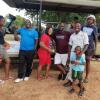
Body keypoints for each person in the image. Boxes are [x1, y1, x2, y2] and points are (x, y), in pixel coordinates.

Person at [64, 22, 89, 87]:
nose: (77, 27)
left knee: (80, 69)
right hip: (73, 54)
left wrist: (81, 53)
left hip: (81, 54)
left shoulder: (84, 34)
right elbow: (69, 45)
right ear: (74, 27)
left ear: (81, 27)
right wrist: (69, 55)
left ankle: (80, 84)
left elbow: (86, 45)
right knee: (71, 68)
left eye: (78, 26)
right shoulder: (72, 35)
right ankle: (70, 81)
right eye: (75, 26)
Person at [82, 15, 98, 83]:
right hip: (82, 46)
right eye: (88, 19)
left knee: (87, 61)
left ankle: (86, 77)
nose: (89, 20)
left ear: (93, 20)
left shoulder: (94, 28)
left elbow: (96, 39)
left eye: (91, 19)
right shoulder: (83, 26)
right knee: (81, 61)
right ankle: (80, 75)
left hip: (90, 47)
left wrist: (95, 49)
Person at [0, 15, 11, 80]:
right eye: (2, 20)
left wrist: (6, 43)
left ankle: (7, 77)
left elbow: (1, 39)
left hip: (2, 47)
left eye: (4, 20)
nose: (4, 21)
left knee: (8, 61)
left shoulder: (2, 29)